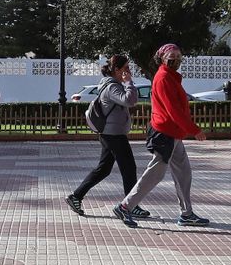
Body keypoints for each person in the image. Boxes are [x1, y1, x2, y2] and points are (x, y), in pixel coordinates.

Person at [114, 43, 210, 228]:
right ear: (163, 58)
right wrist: (194, 129)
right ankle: (125, 207)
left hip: (173, 135)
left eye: (179, 56)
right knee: (154, 174)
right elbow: (173, 110)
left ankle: (187, 213)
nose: (176, 59)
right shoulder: (164, 77)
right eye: (172, 56)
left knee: (183, 173)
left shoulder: (171, 77)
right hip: (165, 134)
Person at [66, 55, 150, 218]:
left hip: (111, 133)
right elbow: (130, 100)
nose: (129, 71)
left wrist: (125, 83)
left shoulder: (114, 85)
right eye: (126, 68)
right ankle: (130, 205)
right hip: (113, 135)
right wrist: (128, 83)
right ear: (116, 70)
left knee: (103, 169)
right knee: (129, 168)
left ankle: (75, 196)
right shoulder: (112, 87)